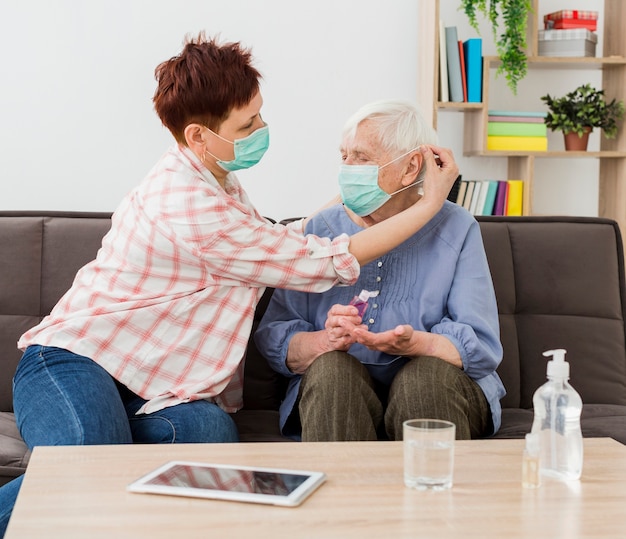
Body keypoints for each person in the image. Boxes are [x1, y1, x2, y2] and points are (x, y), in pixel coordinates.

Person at [0, 36, 459, 534]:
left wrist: (364, 189)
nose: (262, 129)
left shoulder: (215, 178)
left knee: (210, 431)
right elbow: (321, 259)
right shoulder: (188, 203)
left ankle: (114, 447)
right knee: (87, 473)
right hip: (72, 362)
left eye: (259, 115)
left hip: (148, 389)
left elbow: (277, 240)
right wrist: (429, 204)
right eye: (248, 124)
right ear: (199, 135)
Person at [255, 99, 505, 442]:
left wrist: (419, 343)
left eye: (361, 157)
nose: (347, 168)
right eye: (344, 156)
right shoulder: (319, 229)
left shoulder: (456, 228)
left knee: (423, 379)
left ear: (410, 166)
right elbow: (275, 337)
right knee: (330, 372)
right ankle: (345, 496)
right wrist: (325, 341)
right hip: (338, 390)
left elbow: (481, 345)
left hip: (439, 388)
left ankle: (427, 494)